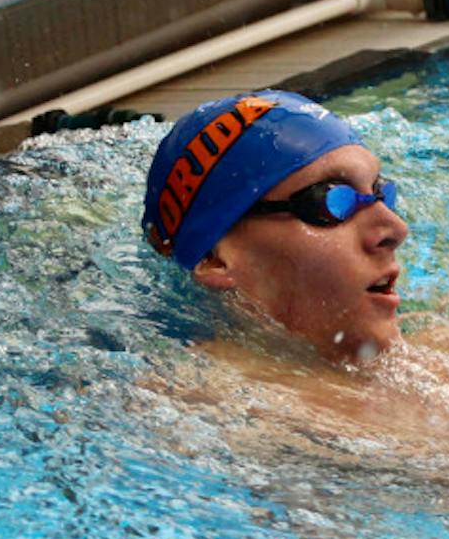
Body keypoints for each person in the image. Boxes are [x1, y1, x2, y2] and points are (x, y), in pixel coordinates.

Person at [143, 90, 410, 365]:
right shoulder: (187, 396)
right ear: (214, 259)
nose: (397, 229)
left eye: (380, 192)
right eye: (330, 200)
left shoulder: (441, 353)